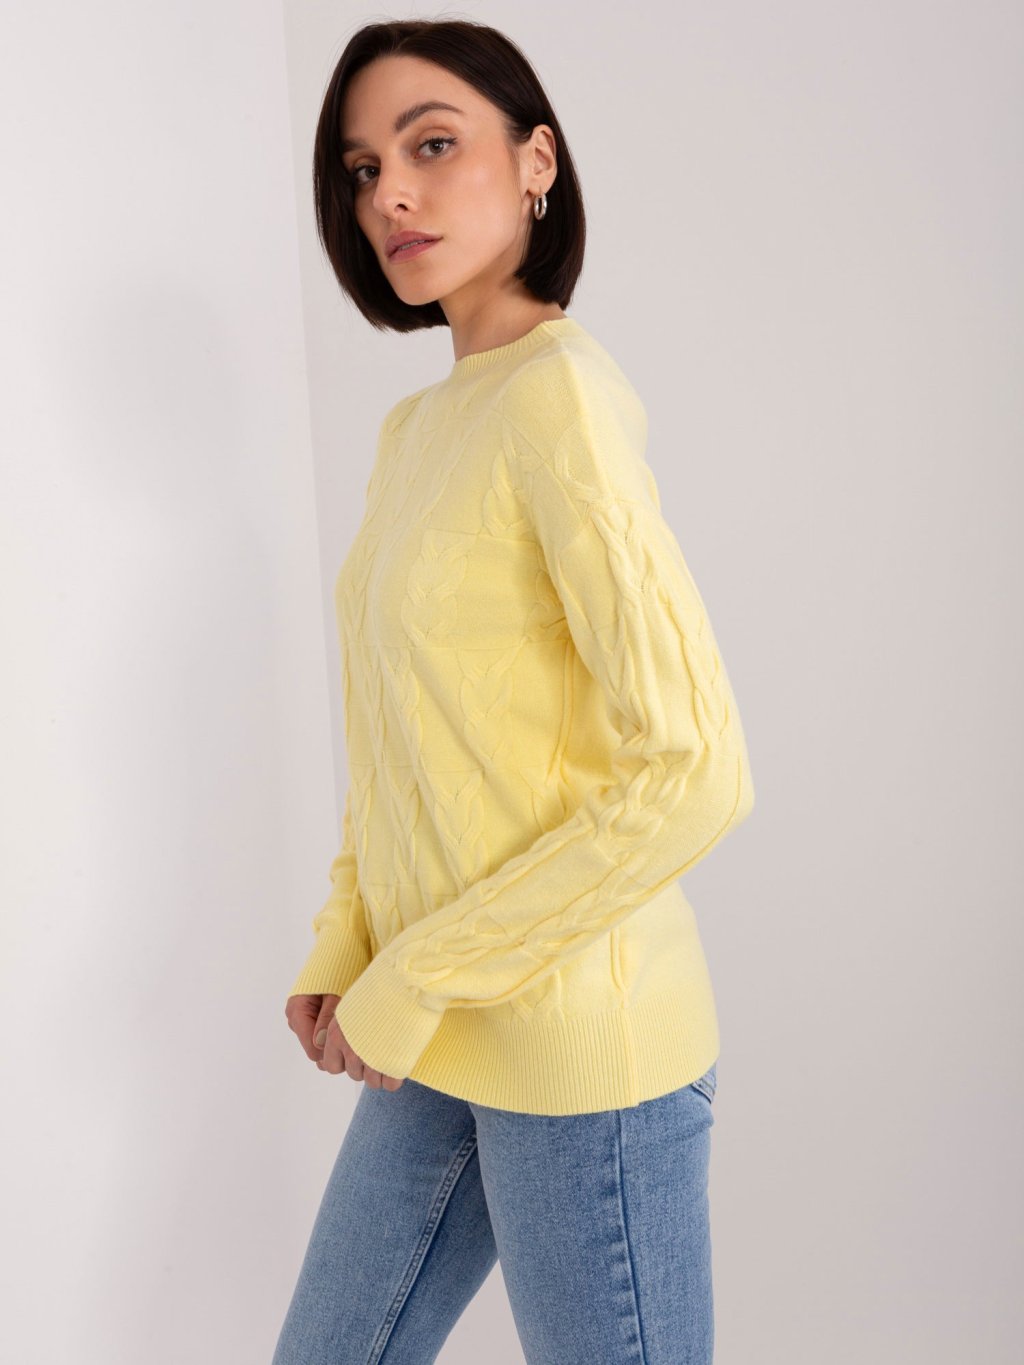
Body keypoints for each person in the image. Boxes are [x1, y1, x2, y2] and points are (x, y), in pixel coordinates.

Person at [273, 18, 756, 1365]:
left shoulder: (561, 400)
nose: (391, 194)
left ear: (537, 160)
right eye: (364, 169)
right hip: (437, 1028)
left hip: (580, 1052)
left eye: (432, 145)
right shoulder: (419, 428)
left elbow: (696, 768)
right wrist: (349, 941)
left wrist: (419, 970)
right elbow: (406, 739)